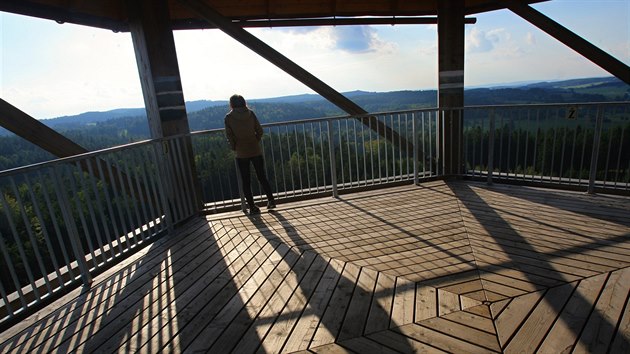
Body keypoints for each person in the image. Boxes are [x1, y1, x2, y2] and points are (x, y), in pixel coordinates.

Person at [224, 94, 276, 214]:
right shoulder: (251, 113)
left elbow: (229, 136)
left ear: (231, 104)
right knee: (262, 176)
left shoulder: (228, 118)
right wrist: (254, 140)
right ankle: (271, 200)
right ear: (243, 102)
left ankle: (252, 207)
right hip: (255, 149)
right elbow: (260, 131)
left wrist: (235, 147)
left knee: (246, 181)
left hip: (241, 152)